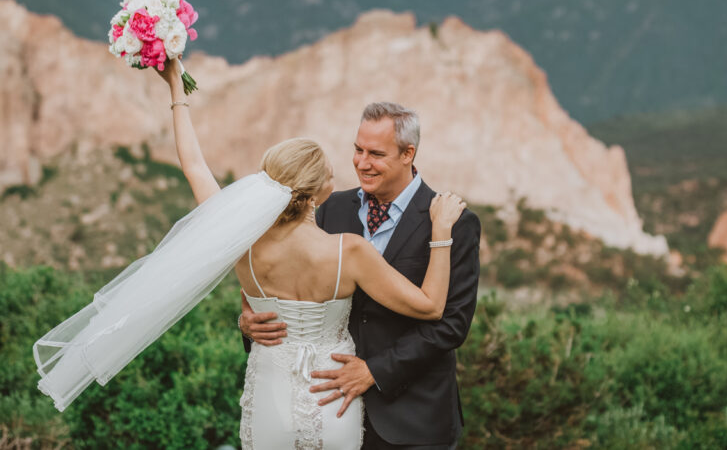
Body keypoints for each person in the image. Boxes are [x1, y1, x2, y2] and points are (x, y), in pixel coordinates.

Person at [34, 61, 467, 450]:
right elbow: (430, 306)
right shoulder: (346, 250)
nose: (357, 165)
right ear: (319, 191)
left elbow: (194, 167)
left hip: (271, 397)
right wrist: (441, 233)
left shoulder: (241, 239)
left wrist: (176, 95)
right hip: (331, 400)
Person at [240, 102, 482, 449]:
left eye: (376, 154)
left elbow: (451, 324)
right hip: (331, 411)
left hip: (413, 419)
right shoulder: (330, 208)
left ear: (407, 154)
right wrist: (250, 324)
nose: (362, 163)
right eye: (357, 149)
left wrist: (374, 371)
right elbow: (299, 288)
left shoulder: (452, 221)